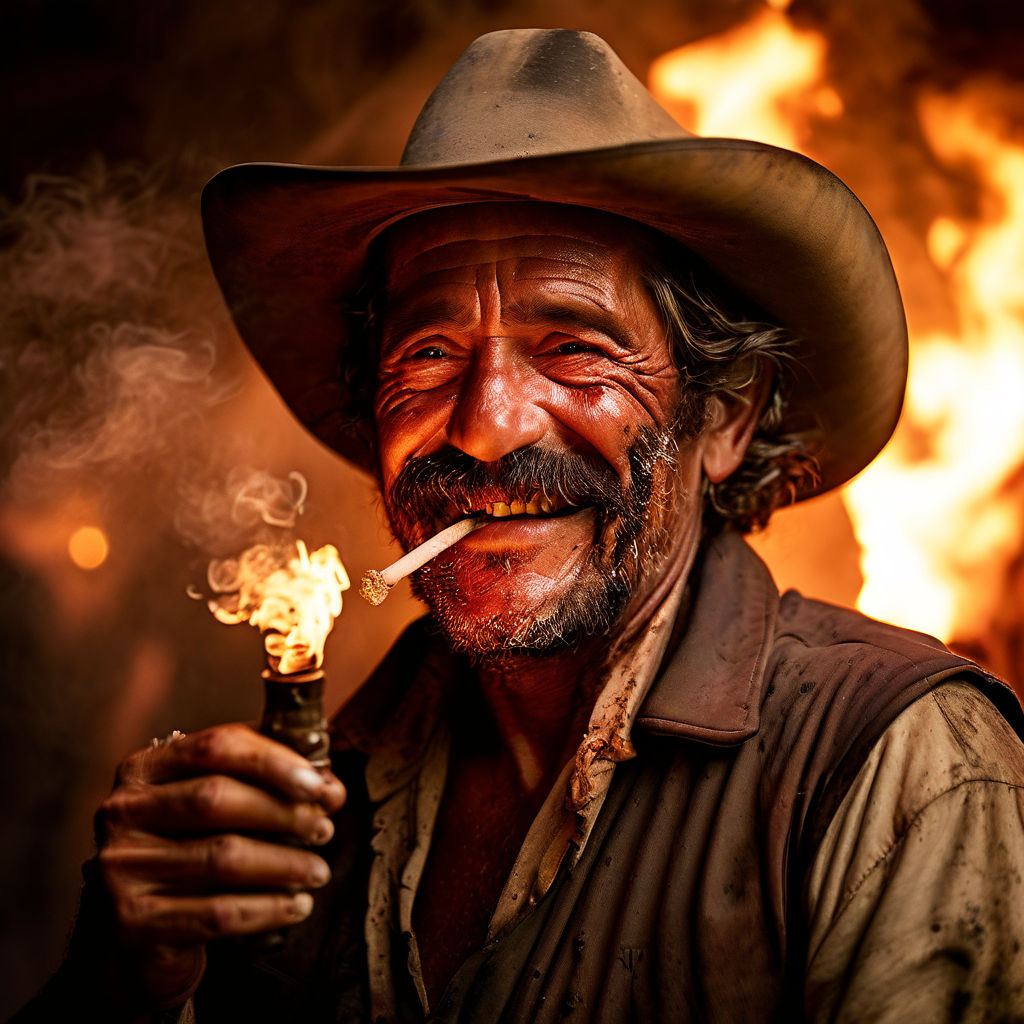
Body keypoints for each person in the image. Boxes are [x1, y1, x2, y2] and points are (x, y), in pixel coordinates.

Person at [17, 28, 1024, 1024]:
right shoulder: (315, 798)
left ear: (723, 415)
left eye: (574, 345)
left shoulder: (897, 765)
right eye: (427, 352)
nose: (487, 426)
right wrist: (119, 986)